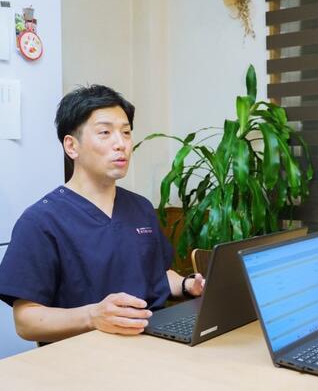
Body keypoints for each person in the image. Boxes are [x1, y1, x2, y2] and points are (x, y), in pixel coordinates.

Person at [0, 85, 205, 343]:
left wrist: (188, 285)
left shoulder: (140, 208)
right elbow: (26, 320)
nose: (121, 144)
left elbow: (157, 275)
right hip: (81, 360)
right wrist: (93, 316)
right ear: (71, 146)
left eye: (126, 132)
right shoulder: (41, 221)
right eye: (105, 133)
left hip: (152, 345)